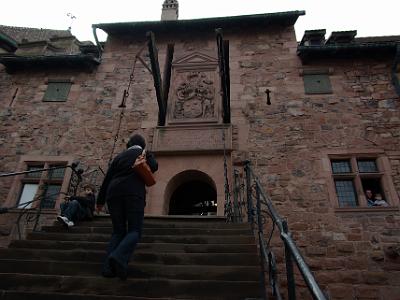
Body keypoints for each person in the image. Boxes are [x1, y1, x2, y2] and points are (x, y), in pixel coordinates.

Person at [96, 133, 158, 280]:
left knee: (118, 232)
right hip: (133, 193)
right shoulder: (143, 153)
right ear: (142, 145)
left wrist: (99, 201)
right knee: (135, 230)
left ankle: (107, 269)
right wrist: (150, 155)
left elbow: (107, 179)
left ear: (129, 144)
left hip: (113, 194)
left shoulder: (119, 157)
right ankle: (118, 257)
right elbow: (154, 167)